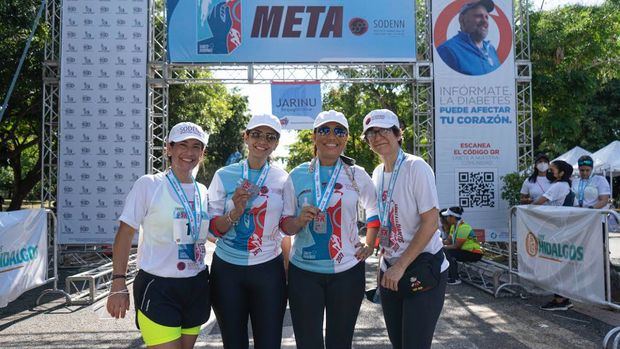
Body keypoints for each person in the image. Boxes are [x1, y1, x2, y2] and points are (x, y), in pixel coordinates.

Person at [280, 110, 379, 349]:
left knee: (340, 342)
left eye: (339, 131)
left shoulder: (356, 174)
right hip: (304, 272)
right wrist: (299, 221)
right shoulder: (297, 174)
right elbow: (285, 225)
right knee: (308, 342)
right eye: (324, 130)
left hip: (347, 271)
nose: (331, 136)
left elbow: (375, 210)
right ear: (314, 137)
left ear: (346, 138)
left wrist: (370, 244)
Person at [106, 122, 211, 349]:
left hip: (196, 285)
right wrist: (118, 284)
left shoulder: (202, 190)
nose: (189, 152)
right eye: (182, 145)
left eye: (196, 146)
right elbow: (125, 234)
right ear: (169, 149)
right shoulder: (149, 185)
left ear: (202, 153)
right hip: (158, 286)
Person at [362, 109, 448, 349]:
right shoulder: (378, 173)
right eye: (371, 133)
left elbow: (431, 222)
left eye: (384, 130)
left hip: (422, 268)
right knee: (398, 343)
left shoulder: (415, 167)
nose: (377, 136)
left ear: (399, 134)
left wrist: (401, 266)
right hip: (390, 272)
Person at [207, 114, 288, 349]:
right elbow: (214, 228)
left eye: (270, 137)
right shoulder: (223, 175)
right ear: (246, 136)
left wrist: (288, 269)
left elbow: (285, 227)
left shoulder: (282, 179)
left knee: (270, 343)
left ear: (276, 143)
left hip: (268, 270)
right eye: (256, 134)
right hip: (227, 271)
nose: (263, 141)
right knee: (233, 344)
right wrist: (235, 212)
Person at [532, 159, 575, 311]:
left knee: (555, 263)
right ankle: (562, 297)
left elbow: (539, 202)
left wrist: (527, 208)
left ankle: (560, 300)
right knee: (559, 263)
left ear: (561, 173)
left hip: (556, 229)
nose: (549, 172)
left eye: (552, 169)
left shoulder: (558, 186)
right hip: (562, 228)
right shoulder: (566, 185)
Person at [436, 0, 500, 76]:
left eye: (486, 17)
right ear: (462, 20)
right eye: (478, 16)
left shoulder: (491, 49)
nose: (485, 21)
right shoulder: (448, 50)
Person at [441, 206, 483, 285]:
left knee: (448, 252)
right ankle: (451, 276)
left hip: (474, 253)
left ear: (452, 217)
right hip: (464, 251)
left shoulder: (464, 227)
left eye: (447, 216)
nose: (446, 218)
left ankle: (455, 278)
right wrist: (438, 242)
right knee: (446, 251)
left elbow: (456, 246)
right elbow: (448, 241)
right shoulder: (454, 226)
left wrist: (442, 247)